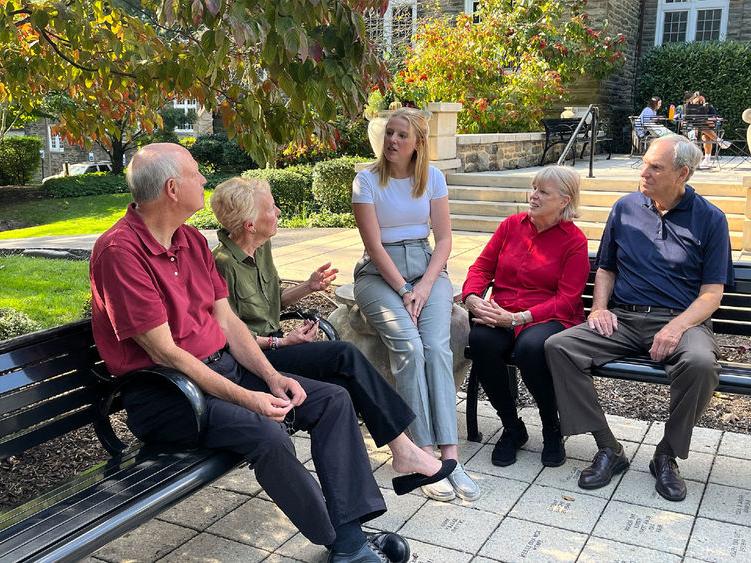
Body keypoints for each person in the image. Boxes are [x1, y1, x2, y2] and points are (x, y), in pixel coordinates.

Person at [89, 143, 411, 563]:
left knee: (332, 400)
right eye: (195, 174)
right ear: (172, 188)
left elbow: (228, 323)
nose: (204, 180)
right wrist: (249, 398)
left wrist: (271, 377)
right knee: (268, 435)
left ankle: (349, 536)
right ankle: (343, 544)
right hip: (168, 397)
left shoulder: (189, 239)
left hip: (219, 372)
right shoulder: (120, 253)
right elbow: (166, 354)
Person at [210, 176, 456, 492]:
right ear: (249, 224)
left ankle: (395, 458)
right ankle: (405, 450)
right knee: (344, 355)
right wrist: (281, 341)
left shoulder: (261, 246)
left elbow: (270, 304)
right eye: (271, 208)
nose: (279, 211)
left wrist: (307, 287)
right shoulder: (222, 264)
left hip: (274, 348)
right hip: (253, 363)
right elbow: (228, 333)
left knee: (342, 383)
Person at [544, 135, 733, 502]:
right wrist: (598, 308)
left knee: (701, 364)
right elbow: (607, 268)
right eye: (644, 163)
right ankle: (608, 447)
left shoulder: (710, 219)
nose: (643, 172)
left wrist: (676, 326)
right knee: (560, 346)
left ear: (683, 173)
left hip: (683, 322)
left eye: (655, 167)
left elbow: (712, 294)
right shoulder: (625, 208)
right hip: (625, 319)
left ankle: (666, 455)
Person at [351, 107, 480, 503]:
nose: (392, 141)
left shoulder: (433, 178)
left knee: (437, 347)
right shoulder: (366, 180)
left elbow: (443, 240)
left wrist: (423, 286)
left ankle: (451, 457)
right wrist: (405, 289)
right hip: (379, 273)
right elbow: (374, 245)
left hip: (428, 269)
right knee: (407, 346)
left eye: (401, 135)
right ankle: (422, 455)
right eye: (389, 133)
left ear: (417, 143)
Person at [462, 166, 590, 468]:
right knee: (480, 340)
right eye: (533, 188)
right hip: (503, 310)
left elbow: (567, 297)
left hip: (549, 316)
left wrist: (519, 318)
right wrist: (472, 298)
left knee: (532, 348)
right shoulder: (511, 225)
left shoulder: (574, 241)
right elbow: (481, 268)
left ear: (564, 200)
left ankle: (552, 429)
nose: (533, 196)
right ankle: (512, 427)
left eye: (543, 191)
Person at [684, 91, 731, 168]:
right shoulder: (689, 107)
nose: (700, 103)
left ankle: (706, 160)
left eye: (702, 101)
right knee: (699, 125)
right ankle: (719, 141)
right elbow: (687, 120)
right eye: (698, 101)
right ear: (693, 100)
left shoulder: (709, 107)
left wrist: (706, 120)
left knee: (706, 137)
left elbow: (713, 120)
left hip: (706, 130)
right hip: (691, 130)